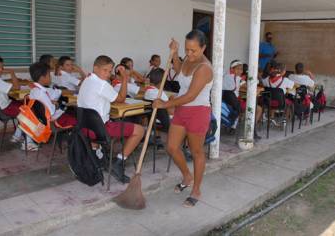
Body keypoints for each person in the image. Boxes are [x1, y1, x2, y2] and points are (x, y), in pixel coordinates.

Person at [153, 30, 213, 208]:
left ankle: (196, 189)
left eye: (193, 50)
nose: (190, 54)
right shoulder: (188, 59)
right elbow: (180, 72)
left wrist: (164, 104)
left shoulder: (204, 68)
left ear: (203, 47)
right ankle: (187, 176)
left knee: (196, 152)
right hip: (182, 110)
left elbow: (190, 96)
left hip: (198, 111)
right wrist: (175, 54)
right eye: (187, 49)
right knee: (171, 147)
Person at [78, 55, 144, 183]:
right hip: (100, 130)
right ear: (95, 68)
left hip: (84, 128)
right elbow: (121, 99)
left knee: (111, 120)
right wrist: (125, 78)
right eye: (105, 70)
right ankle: (119, 163)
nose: (108, 74)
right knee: (140, 130)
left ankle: (97, 157)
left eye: (109, 71)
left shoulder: (87, 80)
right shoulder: (102, 84)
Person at [26, 62, 77, 151]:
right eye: (49, 75)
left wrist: (53, 103)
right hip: (54, 122)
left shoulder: (34, 90)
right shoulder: (41, 93)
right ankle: (76, 145)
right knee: (78, 118)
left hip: (42, 121)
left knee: (70, 108)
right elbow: (52, 112)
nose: (51, 77)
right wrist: (60, 105)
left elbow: (47, 102)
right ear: (42, 78)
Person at [222, 60, 245, 133]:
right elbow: (246, 85)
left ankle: (229, 124)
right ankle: (233, 126)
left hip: (225, 99)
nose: (240, 71)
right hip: (233, 100)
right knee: (240, 107)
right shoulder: (236, 78)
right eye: (238, 69)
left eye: (241, 69)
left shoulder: (226, 75)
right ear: (232, 69)